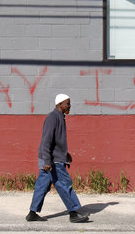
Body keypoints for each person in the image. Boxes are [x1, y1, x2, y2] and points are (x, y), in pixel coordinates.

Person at [26, 94, 90, 223]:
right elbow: (46, 141)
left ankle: (32, 213)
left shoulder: (60, 117)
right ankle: (73, 213)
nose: (69, 106)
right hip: (52, 161)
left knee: (42, 186)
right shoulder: (53, 118)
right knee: (64, 184)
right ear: (60, 104)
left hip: (52, 158)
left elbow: (56, 142)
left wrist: (65, 153)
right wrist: (47, 161)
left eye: (69, 103)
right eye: (67, 104)